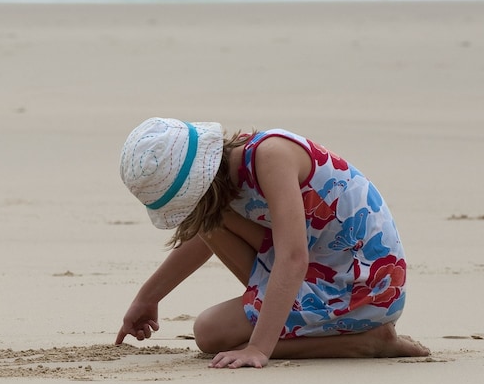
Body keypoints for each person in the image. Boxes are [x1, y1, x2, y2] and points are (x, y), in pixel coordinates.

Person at [115, 117, 430, 369]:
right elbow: (205, 234)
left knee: (210, 332)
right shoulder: (232, 173)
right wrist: (147, 298)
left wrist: (258, 348)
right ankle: (299, 327)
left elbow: (293, 257)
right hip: (321, 267)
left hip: (365, 287)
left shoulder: (270, 157)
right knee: (214, 224)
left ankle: (366, 342)